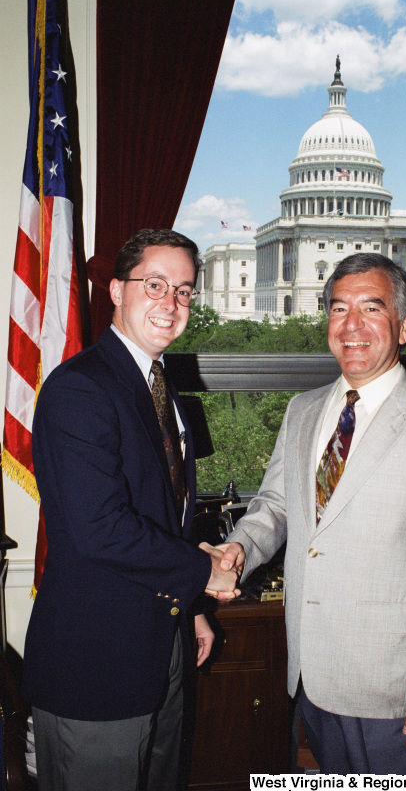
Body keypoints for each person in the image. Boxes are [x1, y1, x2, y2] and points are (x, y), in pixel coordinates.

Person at [219, 253, 406, 774]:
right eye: (339, 309)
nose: (352, 326)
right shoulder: (303, 409)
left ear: (404, 325)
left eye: (371, 308)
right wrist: (237, 551)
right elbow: (276, 506)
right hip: (312, 673)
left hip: (395, 689)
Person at [22, 229, 239, 791]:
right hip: (95, 667)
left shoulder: (159, 386)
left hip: (161, 650)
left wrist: (189, 606)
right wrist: (204, 572)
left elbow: (162, 516)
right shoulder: (81, 388)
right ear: (117, 290)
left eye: (185, 291)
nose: (171, 304)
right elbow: (101, 529)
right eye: (155, 285)